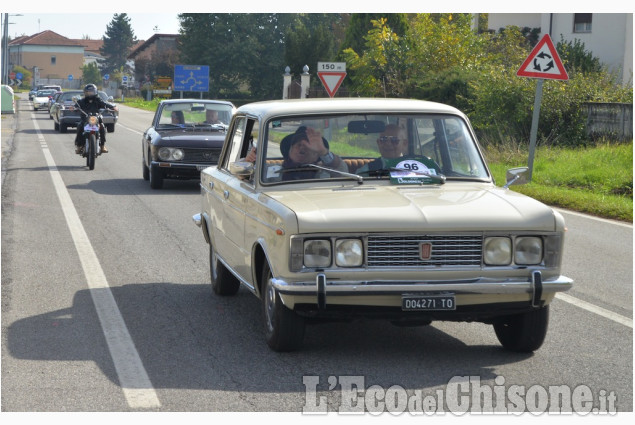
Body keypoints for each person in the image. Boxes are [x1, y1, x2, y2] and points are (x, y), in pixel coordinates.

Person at [278, 126, 348, 181]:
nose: (302, 147)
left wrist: (323, 152)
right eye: (298, 144)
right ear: (290, 151)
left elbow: (344, 175)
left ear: (316, 155)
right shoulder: (274, 171)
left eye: (307, 145)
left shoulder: (327, 172)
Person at [74, 84, 117, 154]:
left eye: (92, 92)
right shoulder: (82, 101)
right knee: (79, 126)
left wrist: (112, 107)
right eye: (88, 92)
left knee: (102, 127)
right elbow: (77, 105)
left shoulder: (98, 100)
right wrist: (74, 108)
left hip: (96, 117)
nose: (90, 93)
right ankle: (79, 146)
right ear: (85, 92)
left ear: (95, 92)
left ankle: (102, 146)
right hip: (85, 118)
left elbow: (104, 104)